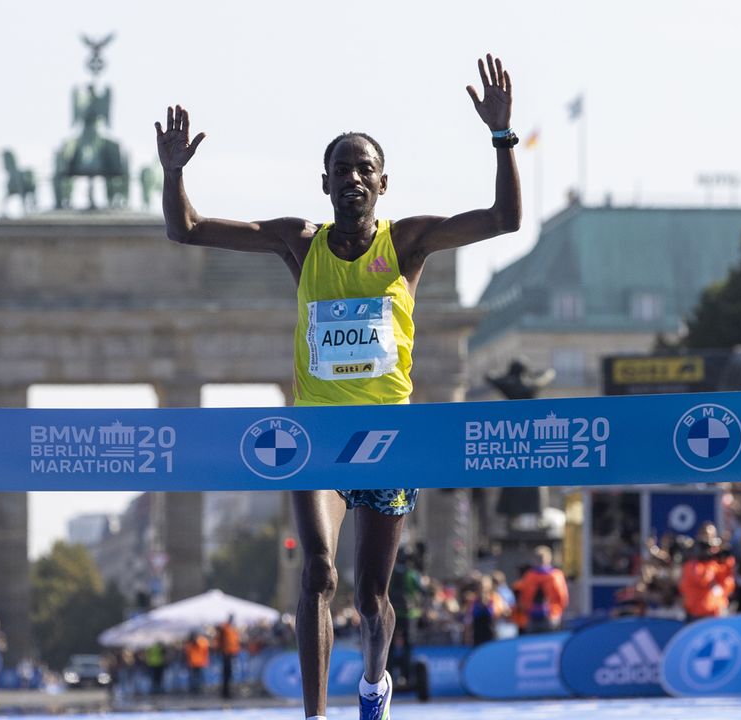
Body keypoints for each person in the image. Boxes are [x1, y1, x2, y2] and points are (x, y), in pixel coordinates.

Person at [157, 53, 520, 720]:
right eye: (341, 170)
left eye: (364, 169)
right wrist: (174, 173)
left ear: (383, 183)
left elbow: (504, 219)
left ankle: (373, 683)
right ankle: (316, 715)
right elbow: (186, 229)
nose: (352, 178)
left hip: (387, 440)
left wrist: (501, 136)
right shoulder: (300, 243)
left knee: (373, 599)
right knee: (318, 573)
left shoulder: (408, 244)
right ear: (324, 184)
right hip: (317, 438)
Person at [679, 536, 736, 621]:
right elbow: (703, 579)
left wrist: (727, 562)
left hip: (715, 613)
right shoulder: (691, 565)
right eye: (707, 548)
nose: (710, 551)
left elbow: (728, 586)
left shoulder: (715, 565)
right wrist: (710, 562)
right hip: (696, 613)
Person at [515, 546, 570, 633]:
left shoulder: (530, 576)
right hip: (550, 615)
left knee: (533, 642)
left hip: (536, 616)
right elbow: (563, 597)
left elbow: (523, 597)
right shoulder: (556, 575)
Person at [215, 615, 241, 699]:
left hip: (231, 653)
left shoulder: (232, 629)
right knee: (226, 674)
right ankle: (225, 692)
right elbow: (219, 630)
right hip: (226, 653)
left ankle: (228, 691)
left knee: (230, 674)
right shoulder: (226, 628)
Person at [184, 630, 210, 695]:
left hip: (199, 662)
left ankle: (198, 689)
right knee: (193, 677)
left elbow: (204, 651)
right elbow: (187, 652)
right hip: (193, 663)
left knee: (198, 677)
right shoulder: (190, 644)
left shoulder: (201, 642)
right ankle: (194, 689)